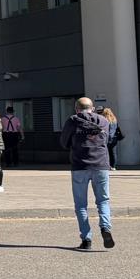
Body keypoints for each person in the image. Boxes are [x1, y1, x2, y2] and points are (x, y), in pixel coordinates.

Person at [60, 97, 115, 251]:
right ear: (92, 108)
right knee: (103, 201)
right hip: (101, 165)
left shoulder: (72, 120)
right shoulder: (103, 120)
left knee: (81, 205)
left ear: (77, 109)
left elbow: (64, 142)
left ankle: (86, 239)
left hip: (80, 165)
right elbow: (108, 140)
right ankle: (105, 228)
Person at [102, 106, 122, 171]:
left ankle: (107, 165)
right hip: (114, 138)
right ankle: (113, 166)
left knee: (106, 152)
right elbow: (117, 128)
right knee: (113, 153)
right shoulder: (114, 119)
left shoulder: (105, 120)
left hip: (107, 138)